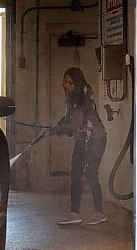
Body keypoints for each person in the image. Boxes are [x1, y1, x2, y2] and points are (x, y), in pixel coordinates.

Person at [42, 67, 107, 226]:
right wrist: (59, 124)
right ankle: (74, 213)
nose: (66, 85)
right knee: (75, 174)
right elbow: (69, 118)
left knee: (91, 174)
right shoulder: (73, 98)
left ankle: (99, 212)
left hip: (95, 139)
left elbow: (73, 125)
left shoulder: (82, 100)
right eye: (65, 81)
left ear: (77, 83)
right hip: (83, 140)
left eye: (70, 82)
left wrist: (53, 131)